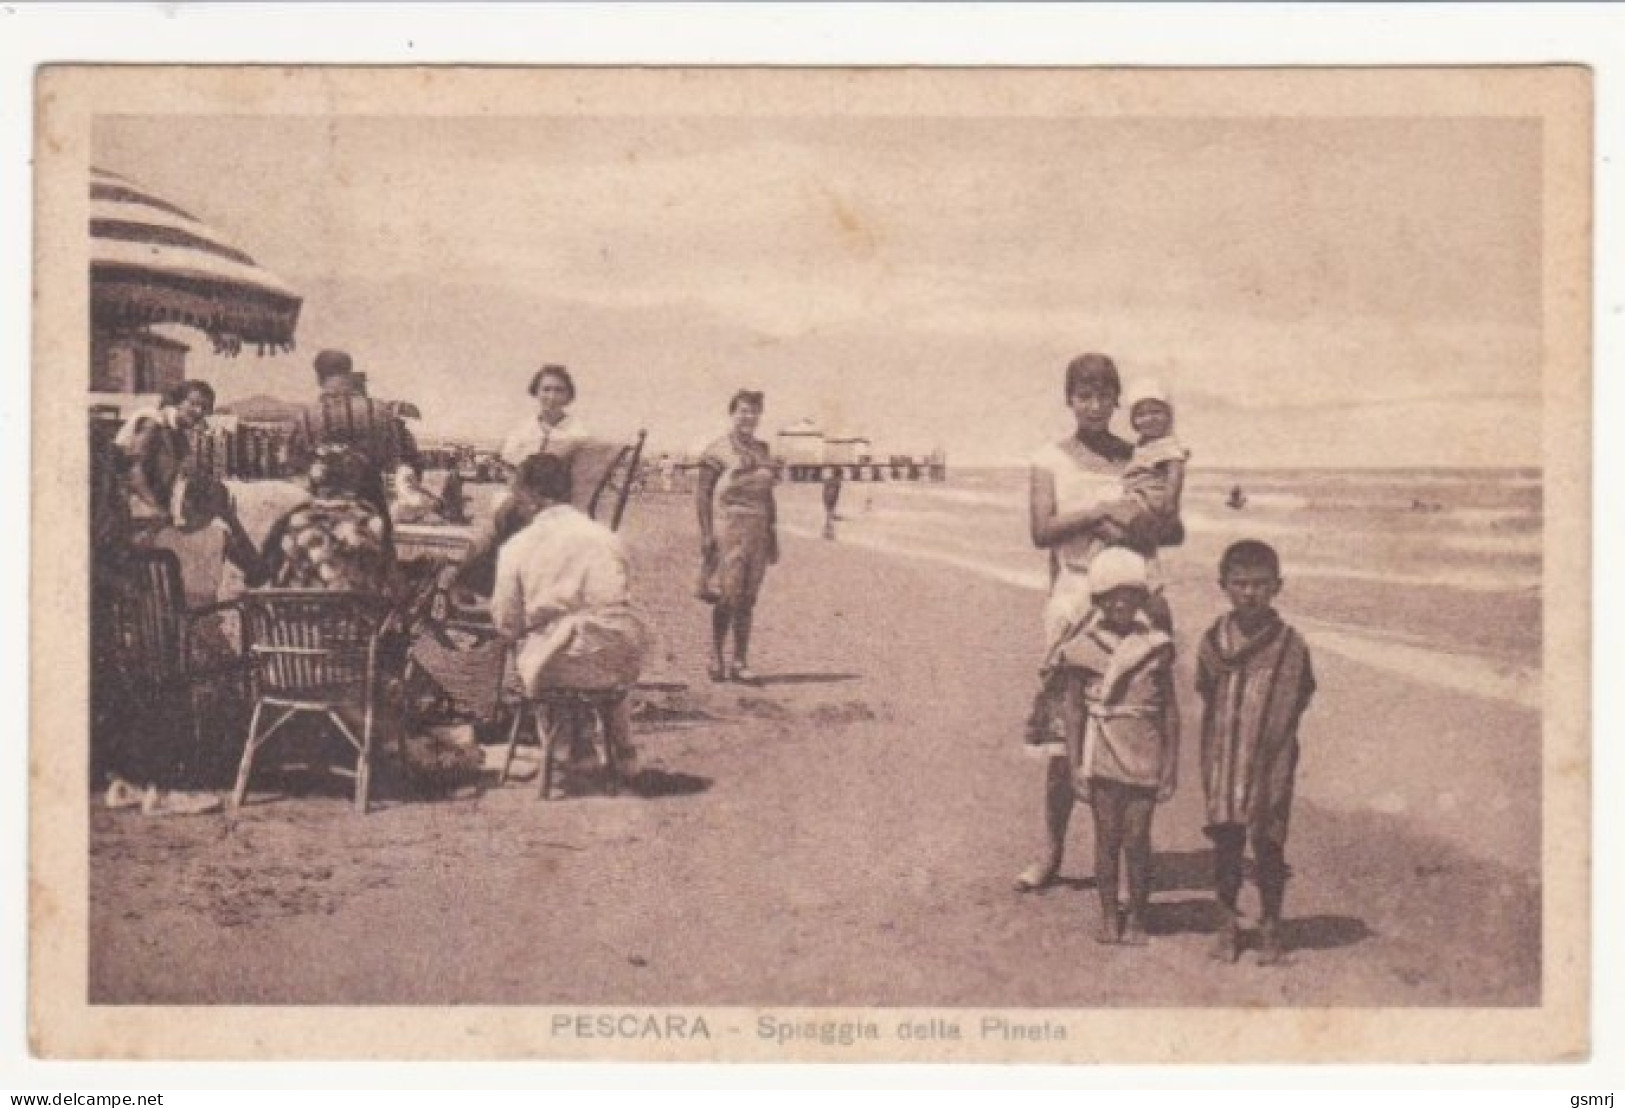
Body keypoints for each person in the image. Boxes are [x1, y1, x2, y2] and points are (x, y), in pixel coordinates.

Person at [1016, 353, 1150, 892]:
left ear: (1117, 400)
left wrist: (1138, 526)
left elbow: (1163, 527)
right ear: (1069, 399)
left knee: (1124, 727)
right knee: (1063, 736)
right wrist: (1099, 514)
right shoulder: (1049, 457)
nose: (1093, 405)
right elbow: (1041, 529)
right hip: (1073, 596)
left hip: (1127, 596)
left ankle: (1114, 860)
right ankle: (1051, 853)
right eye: (1083, 395)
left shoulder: (1136, 458)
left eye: (1103, 395)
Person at [1196, 539, 1317, 966]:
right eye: (1241, 584)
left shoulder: (1291, 645)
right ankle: (1227, 923)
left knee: (1269, 844)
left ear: (1277, 587)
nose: (1250, 593)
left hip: (1271, 763)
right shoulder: (1213, 640)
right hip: (1224, 760)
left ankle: (1270, 924)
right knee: (1227, 844)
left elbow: (1301, 694)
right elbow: (1206, 690)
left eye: (1260, 584)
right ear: (1223, 585)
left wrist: (1271, 738)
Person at [1051, 548, 1179, 945]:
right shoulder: (1081, 648)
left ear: (1142, 599)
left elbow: (1170, 712)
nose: (1121, 602)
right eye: (1111, 595)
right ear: (1098, 600)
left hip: (1144, 753)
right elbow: (1073, 713)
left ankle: (1139, 915)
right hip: (1102, 752)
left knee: (1138, 839)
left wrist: (1171, 766)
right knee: (1107, 838)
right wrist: (1074, 765)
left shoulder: (1156, 646)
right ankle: (1110, 915)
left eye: (1130, 594)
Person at [491, 454, 649, 775]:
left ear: (532, 495)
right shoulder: (605, 537)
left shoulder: (518, 545)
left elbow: (507, 621)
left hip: (558, 664)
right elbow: (621, 598)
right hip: (619, 659)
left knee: (541, 651)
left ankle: (568, 748)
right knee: (592, 638)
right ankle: (622, 751)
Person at [695, 389, 778, 684]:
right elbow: (703, 495)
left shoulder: (764, 450)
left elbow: (768, 496)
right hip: (727, 527)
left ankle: (740, 661)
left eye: (754, 411)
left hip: (757, 529)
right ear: (732, 413)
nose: (749, 417)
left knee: (749, 598)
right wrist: (706, 535)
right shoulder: (716, 450)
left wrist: (772, 535)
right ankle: (715, 656)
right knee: (727, 595)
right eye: (743, 410)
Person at [287, 349, 419, 519]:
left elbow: (293, 467)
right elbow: (392, 460)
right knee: (381, 541)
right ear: (349, 374)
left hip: (320, 509)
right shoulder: (379, 411)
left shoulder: (304, 417)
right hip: (370, 506)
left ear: (319, 378)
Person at [260, 444, 398, 596]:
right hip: (357, 609)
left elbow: (267, 568)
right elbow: (388, 571)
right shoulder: (370, 518)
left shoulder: (292, 518)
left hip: (297, 611)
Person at [114, 379, 216, 539]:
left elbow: (181, 479)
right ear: (178, 402)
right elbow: (133, 471)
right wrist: (156, 508)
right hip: (126, 505)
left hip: (154, 508)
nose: (199, 411)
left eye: (204, 408)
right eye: (194, 404)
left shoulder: (179, 435)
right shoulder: (153, 421)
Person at [1113, 378, 1190, 553]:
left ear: (1168, 416)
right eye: (1141, 415)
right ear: (1133, 421)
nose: (1149, 419)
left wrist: (1170, 504)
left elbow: (1176, 471)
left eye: (1156, 412)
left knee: (1106, 520)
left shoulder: (1167, 444)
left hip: (1150, 504)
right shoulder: (1145, 444)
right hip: (1139, 501)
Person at [500, 364, 592, 468]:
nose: (552, 397)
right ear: (536, 392)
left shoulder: (580, 433)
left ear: (568, 396)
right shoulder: (521, 431)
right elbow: (509, 464)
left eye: (559, 390)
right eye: (546, 389)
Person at [389, 461, 447, 526]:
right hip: (411, 503)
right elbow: (418, 487)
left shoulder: (401, 471)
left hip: (403, 503)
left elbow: (415, 487)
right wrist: (434, 497)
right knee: (426, 504)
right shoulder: (408, 471)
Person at [821, 466, 844, 540]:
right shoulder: (837, 482)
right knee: (829, 513)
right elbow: (834, 492)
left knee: (829, 513)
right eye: (841, 474)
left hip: (826, 497)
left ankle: (827, 528)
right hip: (831, 498)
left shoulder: (828, 480)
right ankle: (828, 530)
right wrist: (832, 499)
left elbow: (825, 489)